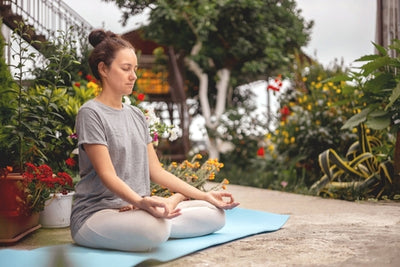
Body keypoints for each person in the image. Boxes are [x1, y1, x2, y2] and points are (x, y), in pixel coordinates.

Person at [70, 29, 239, 252]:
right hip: (98, 214)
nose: (134, 76)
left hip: (138, 210)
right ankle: (160, 215)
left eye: (135, 69)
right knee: (155, 229)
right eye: (126, 69)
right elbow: (107, 175)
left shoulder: (137, 115)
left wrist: (204, 194)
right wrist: (140, 202)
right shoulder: (90, 113)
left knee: (215, 214)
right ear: (103, 69)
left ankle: (163, 211)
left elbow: (156, 171)